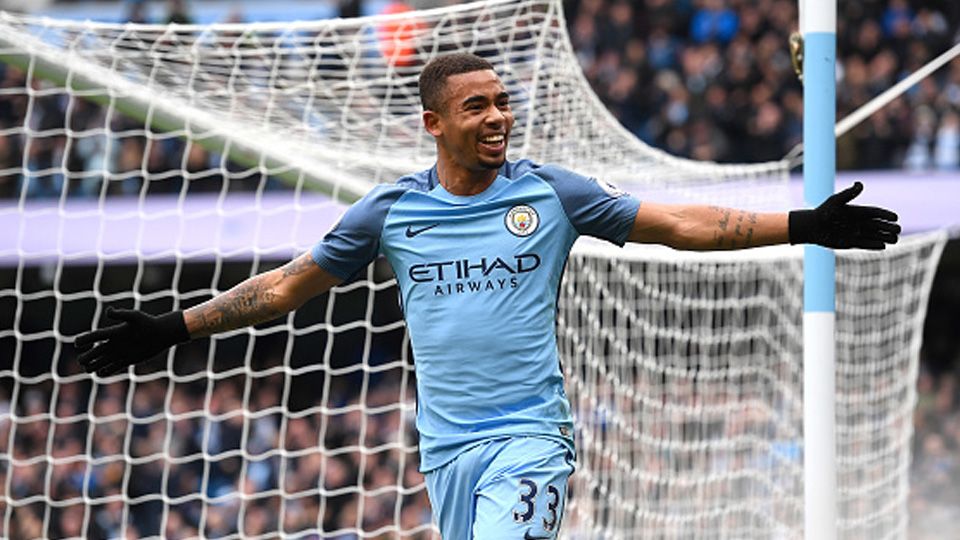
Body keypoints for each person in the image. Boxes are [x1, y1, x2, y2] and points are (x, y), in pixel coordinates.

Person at [74, 53, 900, 539]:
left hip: (529, 440)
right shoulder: (391, 212)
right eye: (478, 107)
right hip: (448, 454)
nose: (499, 116)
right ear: (435, 123)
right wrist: (172, 328)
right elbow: (288, 286)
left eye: (504, 102)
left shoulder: (552, 194)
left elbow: (681, 223)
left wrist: (801, 223)